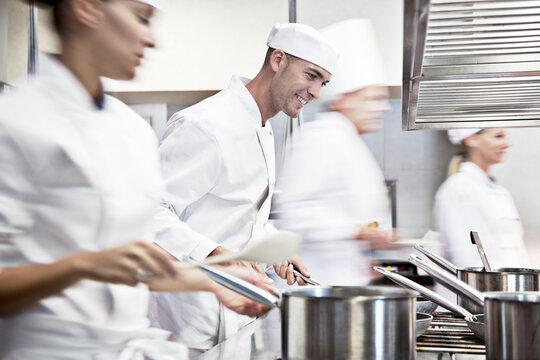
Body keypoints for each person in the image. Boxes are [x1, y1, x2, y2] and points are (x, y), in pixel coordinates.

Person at [0, 1, 269, 358]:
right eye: (141, 18)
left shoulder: (131, 131)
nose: (151, 40)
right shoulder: (17, 122)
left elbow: (132, 260)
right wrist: (82, 264)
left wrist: (211, 281)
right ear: (87, 9)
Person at [149, 23, 339, 351]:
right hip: (185, 326)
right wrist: (217, 255)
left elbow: (239, 218)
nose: (316, 93)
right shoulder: (205, 125)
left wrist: (275, 250)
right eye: (311, 75)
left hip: (235, 317)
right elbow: (149, 213)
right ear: (277, 60)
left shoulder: (261, 127)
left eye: (323, 82)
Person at [271, 19, 393, 286]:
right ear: (345, 98)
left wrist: (362, 256)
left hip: (342, 283)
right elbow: (295, 212)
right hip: (315, 287)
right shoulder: (321, 138)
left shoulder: (351, 142)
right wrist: (357, 233)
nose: (383, 108)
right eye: (372, 99)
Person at [433, 128, 528, 269]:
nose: (506, 144)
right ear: (472, 139)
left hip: (502, 286)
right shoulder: (457, 189)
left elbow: (516, 250)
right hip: (475, 288)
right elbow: (464, 256)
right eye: (498, 136)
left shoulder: (500, 192)